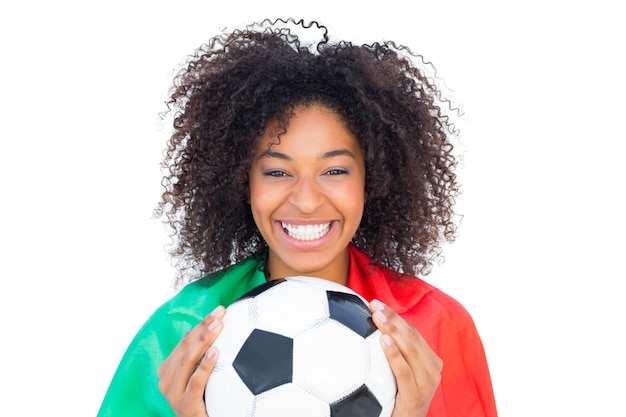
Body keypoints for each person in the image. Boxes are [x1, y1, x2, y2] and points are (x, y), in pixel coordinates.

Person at [97, 18, 498, 417]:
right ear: (242, 181)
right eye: (276, 172)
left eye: (335, 171)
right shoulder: (182, 332)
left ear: (371, 180)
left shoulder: (437, 327)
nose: (306, 201)